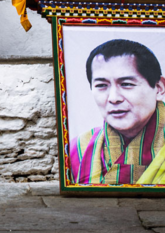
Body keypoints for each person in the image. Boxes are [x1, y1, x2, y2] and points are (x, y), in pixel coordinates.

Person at [69, 39, 165, 185]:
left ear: (159, 88)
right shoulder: (78, 149)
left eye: (126, 84)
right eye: (101, 85)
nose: (113, 98)